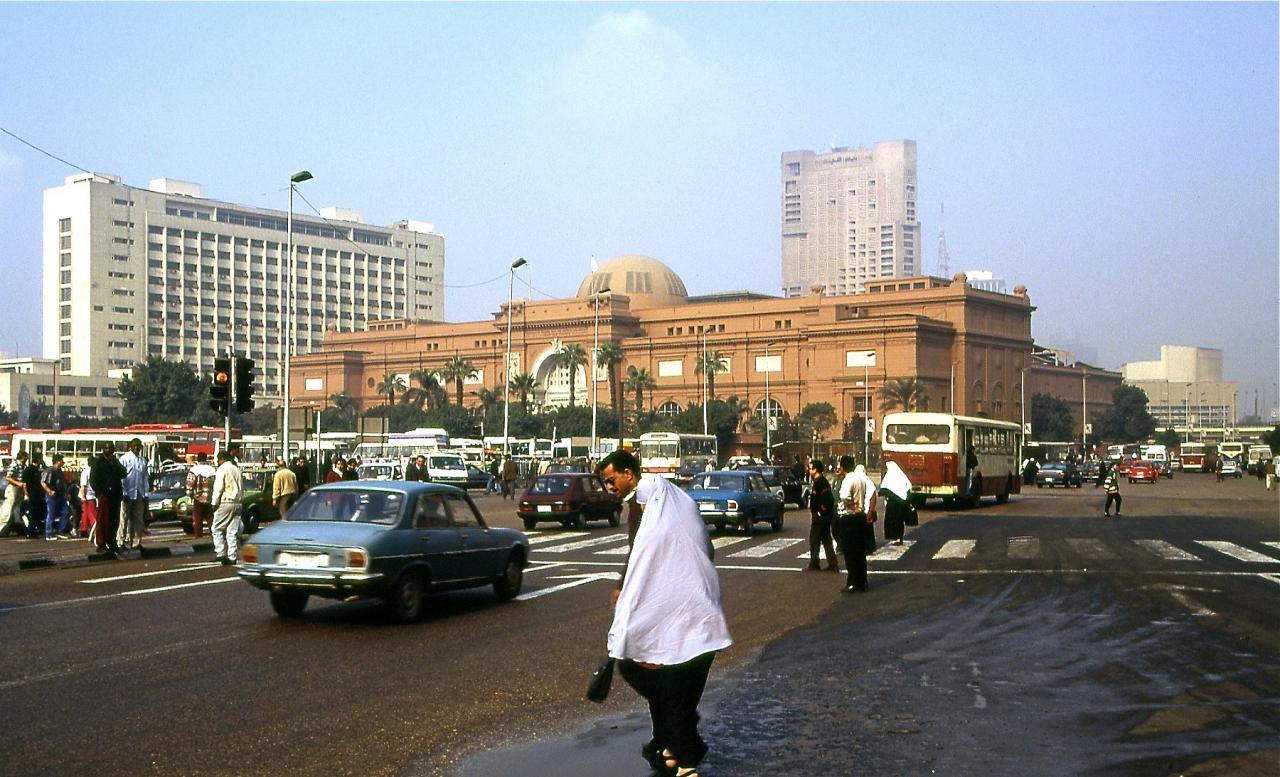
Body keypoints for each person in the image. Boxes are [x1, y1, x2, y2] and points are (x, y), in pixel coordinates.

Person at [598, 449, 731, 777]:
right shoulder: (680, 512)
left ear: (630, 475)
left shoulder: (654, 519)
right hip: (700, 622)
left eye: (612, 480)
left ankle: (683, 752)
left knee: (659, 682)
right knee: (668, 688)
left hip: (679, 622)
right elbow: (647, 556)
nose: (609, 488)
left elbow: (642, 556)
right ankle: (670, 740)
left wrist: (629, 595)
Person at [835, 456, 873, 593]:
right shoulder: (860, 479)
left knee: (850, 552)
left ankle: (852, 582)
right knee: (859, 552)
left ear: (843, 467)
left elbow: (844, 496)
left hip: (849, 517)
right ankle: (862, 581)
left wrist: (851, 504)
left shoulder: (848, 480)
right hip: (860, 517)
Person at [89, 443, 126, 552]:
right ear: (102, 450)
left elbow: (123, 473)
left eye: (110, 448)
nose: (109, 450)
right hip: (104, 495)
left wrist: (115, 463)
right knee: (103, 519)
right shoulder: (98, 462)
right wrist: (101, 492)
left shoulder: (115, 461)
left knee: (114, 520)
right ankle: (101, 543)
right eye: (106, 448)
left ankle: (112, 541)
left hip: (116, 495)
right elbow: (93, 480)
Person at [210, 451, 243, 565]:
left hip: (226, 501)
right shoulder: (236, 469)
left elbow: (218, 487)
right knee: (232, 531)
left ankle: (220, 553)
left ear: (222, 459)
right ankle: (232, 556)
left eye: (218, 460)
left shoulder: (222, 469)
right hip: (238, 502)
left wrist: (214, 502)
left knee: (216, 528)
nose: (217, 462)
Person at [117, 437, 150, 551]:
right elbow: (121, 477)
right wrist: (124, 492)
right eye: (135, 445)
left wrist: (146, 494)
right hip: (127, 493)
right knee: (124, 519)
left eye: (139, 446)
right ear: (130, 446)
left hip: (139, 493)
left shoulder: (142, 461)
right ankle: (120, 542)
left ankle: (136, 542)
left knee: (138, 519)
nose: (137, 448)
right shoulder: (124, 459)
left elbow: (145, 478)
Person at [806, 459, 838, 572]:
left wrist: (819, 512)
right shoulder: (818, 481)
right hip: (822, 516)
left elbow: (827, 500)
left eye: (810, 468)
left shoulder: (821, 482)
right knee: (826, 539)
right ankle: (832, 563)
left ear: (815, 469)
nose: (809, 470)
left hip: (821, 517)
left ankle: (814, 563)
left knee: (814, 539)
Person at [879, 460, 913, 546]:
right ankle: (899, 537)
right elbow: (909, 486)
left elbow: (882, 489)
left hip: (892, 504)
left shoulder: (889, 476)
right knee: (899, 521)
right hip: (902, 503)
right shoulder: (902, 476)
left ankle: (895, 538)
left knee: (892, 521)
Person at [40, 454, 72, 540]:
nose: (63, 462)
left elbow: (63, 483)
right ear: (57, 461)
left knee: (66, 512)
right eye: (62, 461)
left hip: (61, 495)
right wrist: (49, 491)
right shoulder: (50, 470)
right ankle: (49, 533)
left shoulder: (60, 471)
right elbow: (43, 482)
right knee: (51, 513)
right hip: (52, 495)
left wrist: (66, 493)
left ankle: (60, 531)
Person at [185, 453, 216, 538]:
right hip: (210, 497)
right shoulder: (212, 470)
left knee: (198, 519)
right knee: (210, 518)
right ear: (206, 459)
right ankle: (214, 535)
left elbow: (189, 485)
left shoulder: (194, 470)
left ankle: (199, 536)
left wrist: (190, 495)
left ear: (197, 459)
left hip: (198, 498)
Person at [1, 451, 29, 537]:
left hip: (20, 489)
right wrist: (17, 483)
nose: (27, 459)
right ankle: (1, 527)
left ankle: (15, 525)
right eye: (26, 457)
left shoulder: (24, 466)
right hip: (13, 488)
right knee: (8, 508)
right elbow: (8, 477)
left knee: (16, 508)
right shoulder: (14, 465)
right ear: (22, 457)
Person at [22, 452, 46, 539]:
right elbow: (25, 483)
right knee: (33, 513)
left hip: (38, 494)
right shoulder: (29, 469)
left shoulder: (38, 470)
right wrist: (26, 494)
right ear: (38, 459)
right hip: (32, 494)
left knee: (38, 513)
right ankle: (30, 531)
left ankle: (35, 530)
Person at [79, 455, 98, 543]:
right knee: (92, 515)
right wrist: (83, 496)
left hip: (88, 495)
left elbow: (83, 486)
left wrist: (83, 497)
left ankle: (83, 530)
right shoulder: (91, 471)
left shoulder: (85, 471)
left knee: (86, 514)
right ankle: (94, 531)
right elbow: (83, 486)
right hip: (90, 496)